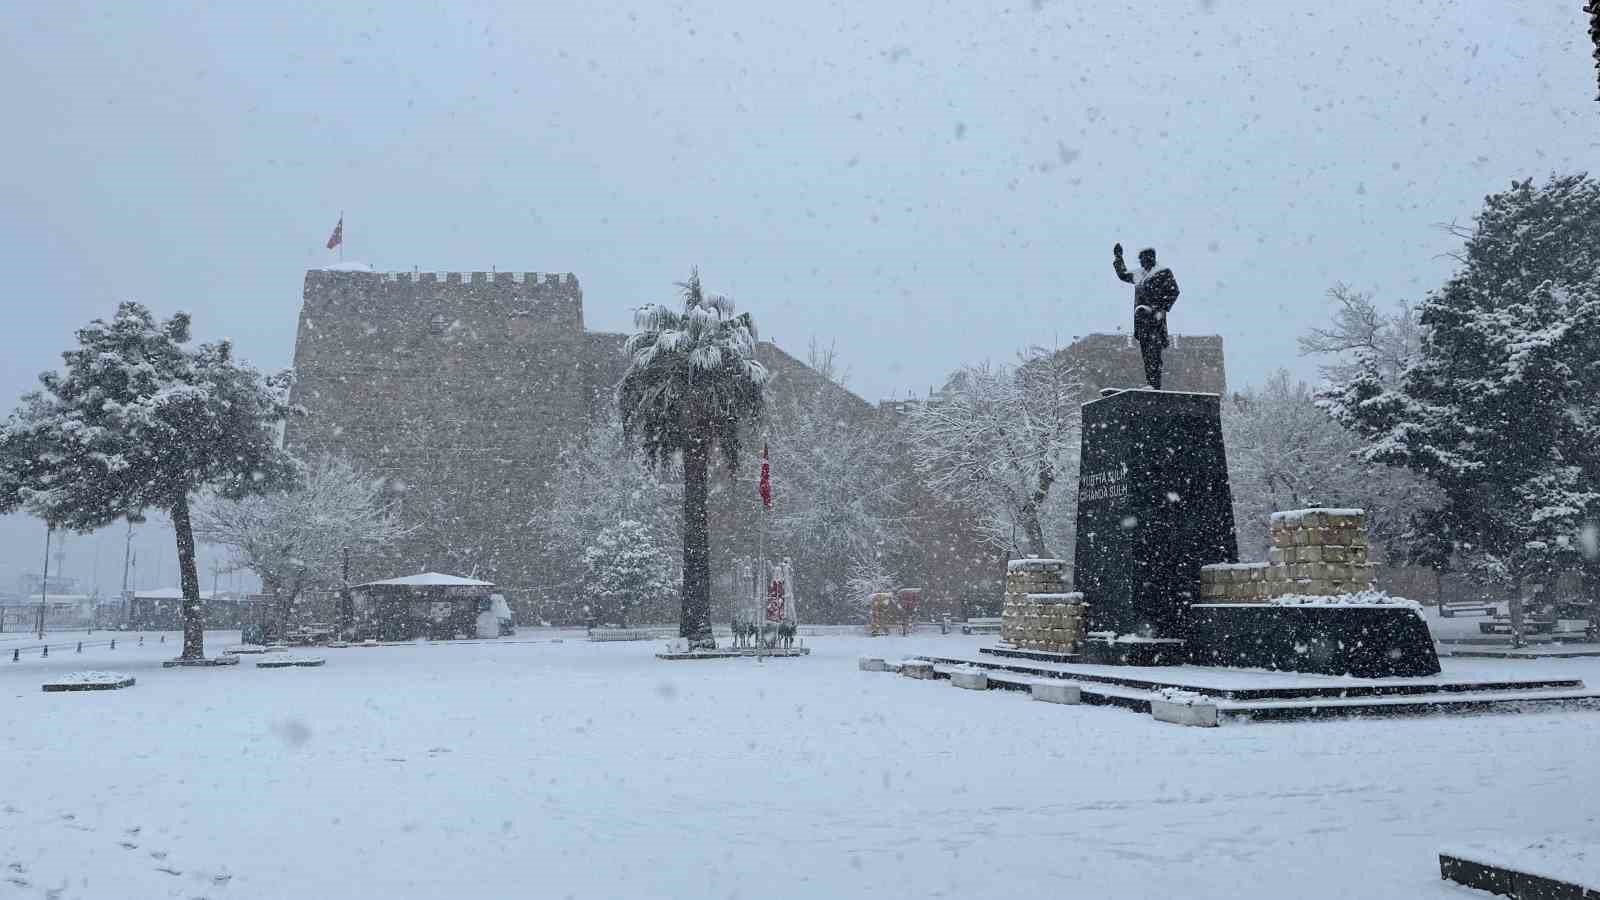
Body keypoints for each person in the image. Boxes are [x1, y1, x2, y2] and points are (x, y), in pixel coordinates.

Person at [1112, 243, 1180, 389]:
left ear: (1151, 258)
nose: (1142, 262)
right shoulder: (1138, 274)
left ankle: (1155, 385)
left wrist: (1158, 308)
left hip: (1155, 321)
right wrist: (1118, 258)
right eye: (1140, 260)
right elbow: (1123, 274)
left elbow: (1174, 292)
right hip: (1141, 323)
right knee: (1146, 356)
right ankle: (1151, 384)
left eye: (1144, 259)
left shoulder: (1163, 272)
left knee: (1154, 354)